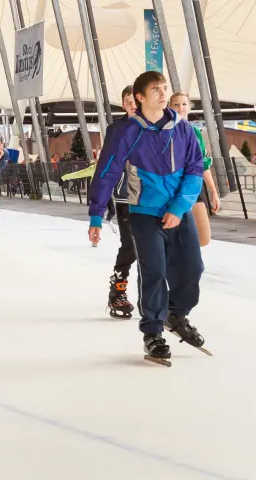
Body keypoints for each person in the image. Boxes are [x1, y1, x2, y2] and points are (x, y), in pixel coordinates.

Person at [88, 71, 207, 366]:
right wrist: (95, 215)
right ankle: (153, 332)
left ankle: (176, 315)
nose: (163, 93)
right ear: (139, 97)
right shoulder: (126, 131)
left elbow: (194, 171)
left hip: (179, 213)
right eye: (155, 89)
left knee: (193, 269)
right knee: (153, 271)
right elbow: (107, 172)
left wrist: (179, 209)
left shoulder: (184, 130)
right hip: (143, 212)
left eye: (164, 88)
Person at [98, 85, 139, 319]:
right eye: (128, 101)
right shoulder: (117, 129)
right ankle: (118, 290)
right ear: (123, 104)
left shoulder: (155, 126)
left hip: (153, 198)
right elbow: (107, 165)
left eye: (135, 100)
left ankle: (156, 296)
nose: (132, 104)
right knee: (129, 245)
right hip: (125, 197)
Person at [168, 92, 221, 247]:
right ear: (170, 107)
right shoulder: (165, 131)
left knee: (203, 237)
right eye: (176, 104)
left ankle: (184, 262)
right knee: (172, 234)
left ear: (189, 108)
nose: (180, 108)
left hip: (193, 187)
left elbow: (203, 164)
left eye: (184, 104)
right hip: (172, 188)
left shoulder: (195, 132)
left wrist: (213, 191)